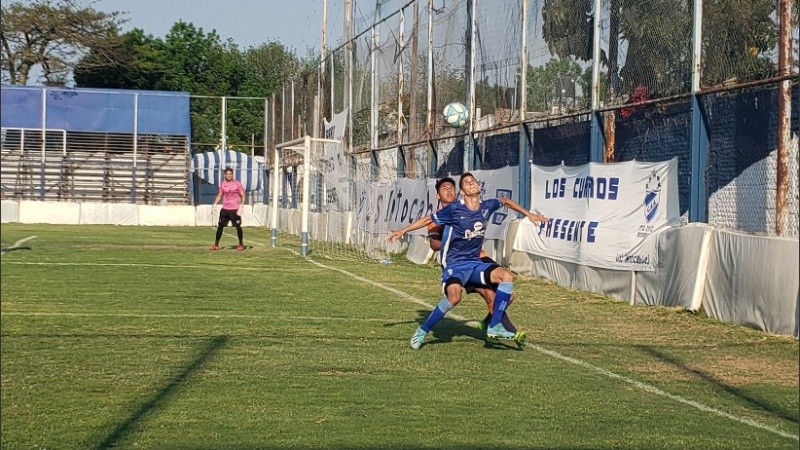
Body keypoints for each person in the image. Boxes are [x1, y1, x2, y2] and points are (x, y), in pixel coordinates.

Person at [390, 172, 547, 350]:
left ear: (478, 187)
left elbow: (505, 201)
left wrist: (530, 215)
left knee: (507, 278)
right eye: (466, 182)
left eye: (473, 181)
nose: (471, 183)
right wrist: (403, 230)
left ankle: (494, 325)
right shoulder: (454, 209)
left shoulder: (486, 207)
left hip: (475, 262)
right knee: (454, 298)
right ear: (463, 192)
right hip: (455, 265)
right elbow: (428, 220)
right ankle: (423, 330)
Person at [426, 177, 523, 344]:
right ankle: (511, 332)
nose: (449, 191)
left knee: (508, 295)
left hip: (481, 258)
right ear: (437, 196)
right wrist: (457, 242)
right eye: (444, 188)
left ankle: (488, 323)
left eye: (451, 187)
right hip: (460, 264)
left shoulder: (467, 208)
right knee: (490, 296)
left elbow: (500, 203)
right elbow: (434, 244)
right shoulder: (438, 218)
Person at [210, 167, 246, 251]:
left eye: (230, 174)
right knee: (220, 226)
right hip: (225, 209)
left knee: (237, 226)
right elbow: (220, 194)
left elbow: (243, 195)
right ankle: (216, 245)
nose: (229, 175)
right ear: (225, 175)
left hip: (234, 209)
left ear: (232, 174)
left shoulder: (237, 184)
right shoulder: (223, 184)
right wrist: (215, 204)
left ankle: (241, 244)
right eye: (227, 174)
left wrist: (242, 206)